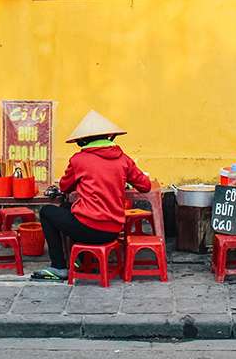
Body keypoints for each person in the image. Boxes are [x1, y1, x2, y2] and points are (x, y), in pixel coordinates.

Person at [32, 110, 151, 281]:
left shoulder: (79, 160)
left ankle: (58, 266)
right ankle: (79, 260)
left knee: (47, 212)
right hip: (113, 230)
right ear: (110, 137)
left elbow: (65, 186)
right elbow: (145, 186)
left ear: (83, 140)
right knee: (66, 208)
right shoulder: (124, 159)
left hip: (89, 229)